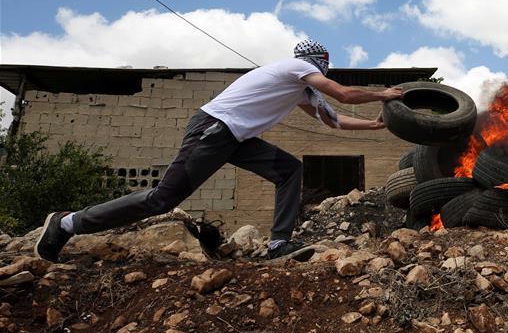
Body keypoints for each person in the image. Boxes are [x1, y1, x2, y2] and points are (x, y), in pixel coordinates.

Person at [34, 40, 403, 262]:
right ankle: (67, 223)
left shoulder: (301, 89)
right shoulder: (296, 67)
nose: (322, 70)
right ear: (317, 61)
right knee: (162, 200)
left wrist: (373, 125)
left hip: (235, 138)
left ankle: (278, 244)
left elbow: (333, 119)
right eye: (322, 65)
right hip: (214, 129)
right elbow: (341, 93)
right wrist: (383, 94)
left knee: (289, 169)